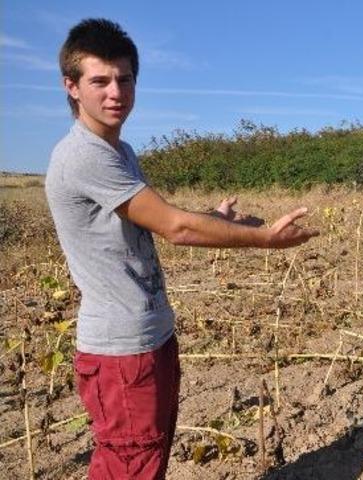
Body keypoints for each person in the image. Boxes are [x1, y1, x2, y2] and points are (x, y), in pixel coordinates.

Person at [45, 18, 318, 479]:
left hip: (149, 336)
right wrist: (266, 239)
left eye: (125, 79)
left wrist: (215, 217)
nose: (116, 93)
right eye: (100, 81)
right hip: (121, 350)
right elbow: (176, 228)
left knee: (145, 462)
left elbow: (155, 215)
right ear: (71, 87)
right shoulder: (84, 155)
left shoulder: (119, 151)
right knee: (130, 465)